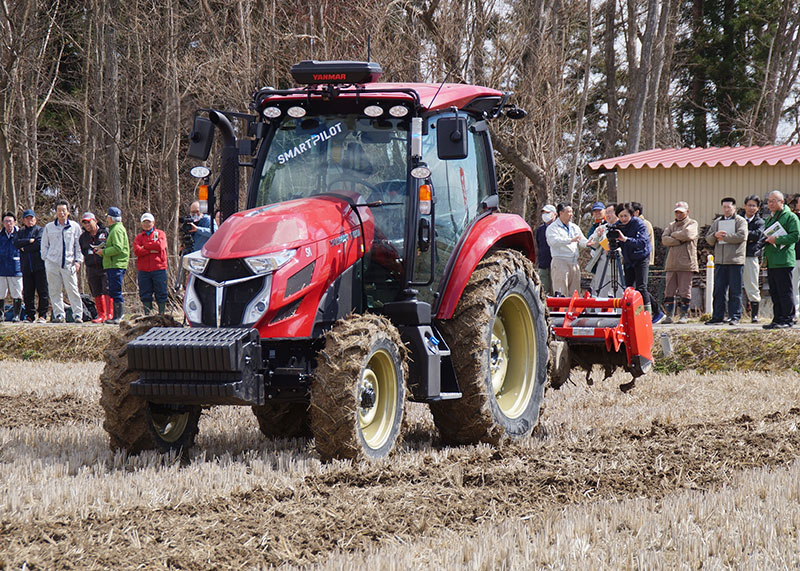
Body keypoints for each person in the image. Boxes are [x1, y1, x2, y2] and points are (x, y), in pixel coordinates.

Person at [705, 197, 748, 325]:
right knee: (718, 290)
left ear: (734, 208)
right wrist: (715, 236)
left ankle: (735, 316)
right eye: (724, 207)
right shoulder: (717, 222)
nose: (726, 209)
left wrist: (725, 237)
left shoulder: (741, 221)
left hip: (735, 261)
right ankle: (717, 316)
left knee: (735, 291)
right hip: (720, 261)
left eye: (729, 207)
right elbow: (708, 238)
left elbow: (742, 236)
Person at [41, 200, 84, 323]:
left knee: (73, 290)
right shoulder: (49, 227)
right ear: (56, 212)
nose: (61, 213)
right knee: (54, 290)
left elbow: (78, 246)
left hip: (69, 264)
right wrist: (46, 259)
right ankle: (59, 315)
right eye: (59, 210)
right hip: (52, 263)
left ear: (68, 212)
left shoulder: (75, 227)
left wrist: (78, 261)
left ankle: (77, 315)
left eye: (64, 210)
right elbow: (44, 245)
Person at [762, 190, 800, 329]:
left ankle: (788, 318)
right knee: (775, 291)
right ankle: (777, 318)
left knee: (785, 291)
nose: (770, 204)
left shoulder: (790, 217)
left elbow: (795, 236)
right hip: (772, 259)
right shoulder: (770, 218)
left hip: (784, 259)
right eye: (769, 201)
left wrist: (777, 239)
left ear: (782, 202)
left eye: (774, 201)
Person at [661, 201, 698, 324]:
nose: (679, 214)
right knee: (669, 291)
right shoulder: (671, 225)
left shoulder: (692, 223)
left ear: (687, 212)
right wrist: (679, 240)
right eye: (677, 212)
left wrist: (674, 235)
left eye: (681, 212)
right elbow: (664, 239)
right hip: (671, 263)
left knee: (684, 290)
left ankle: (683, 315)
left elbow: (688, 234)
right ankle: (669, 315)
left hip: (686, 263)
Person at [613, 203, 653, 315]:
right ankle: (631, 313)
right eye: (620, 216)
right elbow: (617, 242)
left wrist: (625, 239)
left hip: (641, 256)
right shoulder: (618, 225)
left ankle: (648, 313)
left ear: (631, 215)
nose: (623, 219)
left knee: (641, 286)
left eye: (626, 216)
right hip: (628, 258)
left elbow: (642, 242)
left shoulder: (639, 224)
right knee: (628, 287)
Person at [546, 203, 588, 296]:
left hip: (574, 263)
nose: (571, 214)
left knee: (574, 293)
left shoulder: (574, 227)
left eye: (572, 212)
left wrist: (589, 242)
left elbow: (582, 240)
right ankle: (563, 311)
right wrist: (570, 240)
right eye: (568, 212)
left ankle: (574, 311)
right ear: (561, 213)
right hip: (560, 262)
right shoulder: (552, 228)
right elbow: (553, 241)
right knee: (561, 292)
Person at [15, 209, 48, 323]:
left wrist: (25, 247)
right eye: (27, 219)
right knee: (28, 293)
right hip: (26, 267)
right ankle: (30, 315)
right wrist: (29, 241)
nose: (30, 221)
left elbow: (38, 244)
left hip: (40, 266)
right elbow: (16, 243)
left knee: (42, 292)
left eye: (31, 218)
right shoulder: (20, 232)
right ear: (24, 220)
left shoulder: (40, 230)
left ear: (35, 219)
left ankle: (43, 315)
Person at [97, 206, 129, 325]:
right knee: (114, 290)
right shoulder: (115, 228)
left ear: (110, 218)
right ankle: (116, 316)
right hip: (113, 264)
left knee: (116, 290)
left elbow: (118, 248)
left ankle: (118, 316)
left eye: (107, 217)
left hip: (116, 264)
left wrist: (103, 252)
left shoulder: (116, 230)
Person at [631, 202, 663, 322]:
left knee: (641, 287)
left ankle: (655, 311)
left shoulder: (644, 223)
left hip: (642, 259)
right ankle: (654, 311)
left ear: (637, 212)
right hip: (635, 259)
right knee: (638, 287)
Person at [586, 203, 626, 298]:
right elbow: (592, 244)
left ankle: (620, 311)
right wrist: (599, 237)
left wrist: (608, 245)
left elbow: (623, 243)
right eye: (606, 212)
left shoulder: (623, 227)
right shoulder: (602, 228)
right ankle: (599, 310)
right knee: (600, 287)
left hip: (618, 261)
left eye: (610, 212)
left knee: (620, 287)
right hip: (603, 261)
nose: (607, 215)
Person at [79, 212, 111, 323]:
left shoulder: (105, 232)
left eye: (89, 222)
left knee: (107, 289)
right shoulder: (83, 237)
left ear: (95, 220)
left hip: (105, 265)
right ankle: (101, 314)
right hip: (91, 267)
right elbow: (83, 251)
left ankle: (109, 314)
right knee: (96, 291)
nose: (87, 225)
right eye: (85, 223)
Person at [133, 212, 168, 314]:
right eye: (144, 222)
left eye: (148, 222)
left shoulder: (160, 233)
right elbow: (137, 250)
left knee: (161, 292)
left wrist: (145, 246)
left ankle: (161, 314)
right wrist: (150, 249)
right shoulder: (139, 237)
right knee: (145, 293)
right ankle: (148, 314)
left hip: (159, 268)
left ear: (153, 223)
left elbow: (160, 246)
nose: (146, 224)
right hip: (144, 270)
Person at [742, 195, 765, 322]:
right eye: (749, 205)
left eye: (754, 206)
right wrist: (747, 236)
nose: (751, 208)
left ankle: (754, 315)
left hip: (751, 256)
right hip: (736, 256)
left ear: (758, 208)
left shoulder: (760, 222)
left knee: (752, 284)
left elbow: (757, 237)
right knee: (733, 285)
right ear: (744, 206)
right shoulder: (738, 220)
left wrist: (741, 235)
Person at [0, 212, 23, 322]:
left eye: (10, 221)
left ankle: (16, 315)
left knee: (17, 293)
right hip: (2, 269)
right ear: (3, 223)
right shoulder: (1, 235)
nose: (8, 223)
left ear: (15, 222)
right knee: (1, 293)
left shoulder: (20, 234)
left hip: (16, 268)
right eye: (6, 221)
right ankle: (1, 315)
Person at [535, 204, 557, 295]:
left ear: (555, 214)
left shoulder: (558, 228)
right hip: (543, 264)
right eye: (543, 213)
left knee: (556, 290)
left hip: (556, 264)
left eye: (547, 213)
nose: (545, 215)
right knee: (543, 291)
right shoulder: (540, 229)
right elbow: (539, 245)